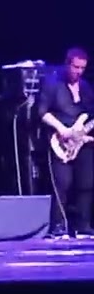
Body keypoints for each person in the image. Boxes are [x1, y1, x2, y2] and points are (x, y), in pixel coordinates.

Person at [38, 47, 94, 239]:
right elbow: (42, 111)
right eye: (76, 67)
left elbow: (88, 111)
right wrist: (62, 129)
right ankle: (58, 226)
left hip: (81, 140)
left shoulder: (85, 86)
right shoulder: (52, 83)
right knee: (62, 183)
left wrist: (81, 125)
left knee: (86, 182)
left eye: (82, 68)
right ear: (67, 64)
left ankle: (82, 225)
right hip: (60, 138)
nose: (79, 71)